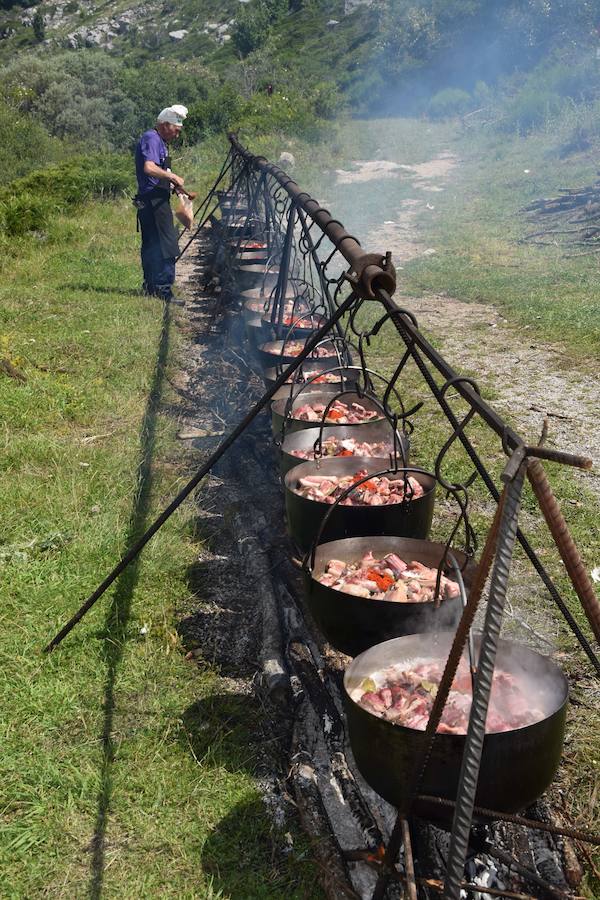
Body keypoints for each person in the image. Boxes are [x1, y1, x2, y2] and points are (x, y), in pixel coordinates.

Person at [134, 105, 188, 301]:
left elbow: (157, 172)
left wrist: (172, 184)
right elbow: (149, 168)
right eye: (176, 130)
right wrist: (172, 176)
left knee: (151, 244)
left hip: (153, 197)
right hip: (153, 200)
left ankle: (150, 287)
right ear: (165, 125)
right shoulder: (152, 138)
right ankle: (164, 290)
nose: (176, 135)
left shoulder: (160, 141)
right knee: (167, 244)